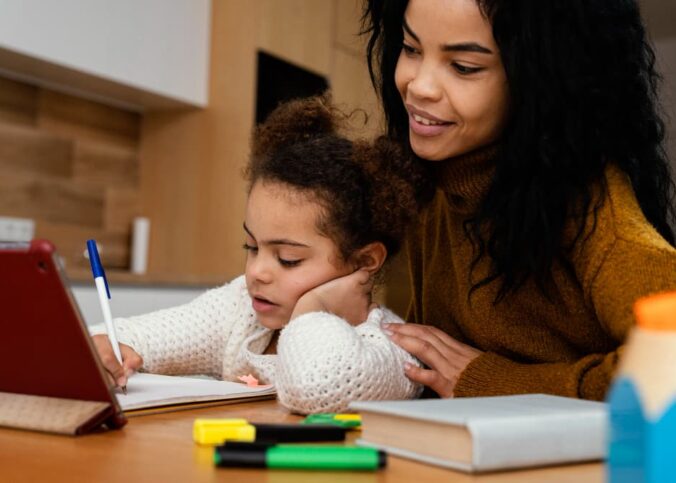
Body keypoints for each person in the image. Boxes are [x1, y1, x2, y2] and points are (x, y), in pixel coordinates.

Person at [353, 0, 676, 400]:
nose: (419, 85)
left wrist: (492, 382)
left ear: (539, 79)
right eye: (411, 48)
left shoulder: (590, 204)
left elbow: (669, 362)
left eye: (464, 67)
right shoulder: (427, 180)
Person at [91, 96, 425, 414]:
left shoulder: (394, 349)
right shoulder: (241, 311)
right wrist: (112, 346)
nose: (257, 272)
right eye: (251, 247)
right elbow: (135, 336)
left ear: (364, 261)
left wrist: (312, 310)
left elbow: (317, 385)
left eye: (288, 259)